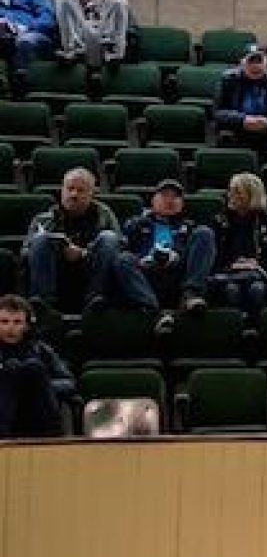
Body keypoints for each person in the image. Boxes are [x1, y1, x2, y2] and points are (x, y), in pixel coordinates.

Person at [114, 179, 217, 326]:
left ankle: (190, 295)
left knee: (205, 233)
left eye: (175, 197)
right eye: (164, 195)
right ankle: (154, 313)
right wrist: (144, 259)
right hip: (145, 277)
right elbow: (124, 251)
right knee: (123, 259)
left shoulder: (190, 227)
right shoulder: (136, 224)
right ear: (153, 200)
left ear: (182, 204)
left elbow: (197, 258)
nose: (169, 200)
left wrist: (176, 256)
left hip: (178, 276)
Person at [25, 169, 122, 312]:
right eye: (70, 189)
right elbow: (25, 251)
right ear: (62, 190)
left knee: (109, 238)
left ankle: (95, 302)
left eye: (81, 190)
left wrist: (84, 253)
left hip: (91, 270)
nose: (74, 195)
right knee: (39, 240)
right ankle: (43, 305)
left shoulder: (105, 216)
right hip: (54, 271)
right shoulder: (43, 219)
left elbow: (120, 247)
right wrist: (54, 248)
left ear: (92, 194)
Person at [0, 295, 74, 439]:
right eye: (4, 322)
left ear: (27, 325)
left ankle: (54, 440)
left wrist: (41, 383)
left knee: (34, 368)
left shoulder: (41, 350)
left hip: (36, 413)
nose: (11, 327)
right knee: (11, 368)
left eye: (17, 322)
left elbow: (68, 383)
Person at [208, 172, 267, 316]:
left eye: (237, 192)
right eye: (230, 191)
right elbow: (214, 256)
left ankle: (253, 328)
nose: (230, 196)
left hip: (259, 275)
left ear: (252, 195)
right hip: (228, 274)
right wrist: (233, 265)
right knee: (232, 290)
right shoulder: (219, 221)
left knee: (257, 289)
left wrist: (257, 265)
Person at [213, 44, 267, 157]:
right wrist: (243, 120)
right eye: (251, 61)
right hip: (239, 130)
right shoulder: (228, 80)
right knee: (225, 136)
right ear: (241, 63)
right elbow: (218, 113)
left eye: (259, 61)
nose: (255, 66)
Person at [54, 0, 131, 66]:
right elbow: (60, 25)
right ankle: (72, 52)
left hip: (105, 42)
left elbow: (128, 26)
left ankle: (115, 55)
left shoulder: (112, 2)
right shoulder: (70, 2)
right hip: (81, 42)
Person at [0, 0, 57, 88]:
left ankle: (19, 82)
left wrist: (22, 28)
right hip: (4, 37)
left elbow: (47, 20)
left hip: (35, 37)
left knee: (25, 40)